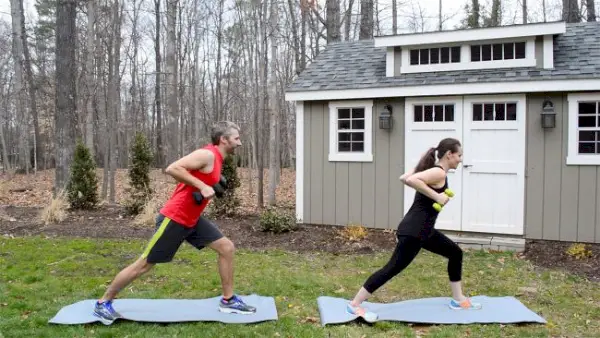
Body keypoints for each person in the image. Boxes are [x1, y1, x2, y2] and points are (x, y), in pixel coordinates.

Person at [93, 121, 256, 323]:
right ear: (224, 139)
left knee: (226, 248)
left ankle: (228, 300)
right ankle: (103, 303)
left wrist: (206, 185)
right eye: (236, 138)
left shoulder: (218, 159)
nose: (240, 143)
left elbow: (195, 180)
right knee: (144, 264)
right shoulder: (207, 154)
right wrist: (201, 185)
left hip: (192, 219)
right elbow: (172, 168)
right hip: (175, 218)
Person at [346, 137, 481, 323]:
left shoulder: (434, 171)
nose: (460, 159)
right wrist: (437, 197)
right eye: (459, 155)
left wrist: (420, 167)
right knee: (392, 268)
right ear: (449, 155)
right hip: (415, 231)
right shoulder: (438, 173)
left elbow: (405, 177)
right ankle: (354, 304)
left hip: (424, 231)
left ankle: (458, 299)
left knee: (455, 253)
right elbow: (410, 180)